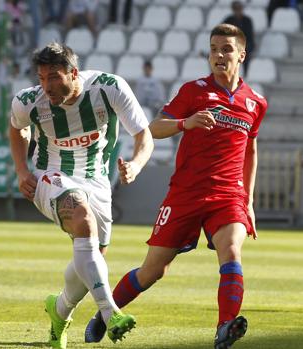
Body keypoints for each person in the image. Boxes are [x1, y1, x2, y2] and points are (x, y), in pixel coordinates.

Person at [85, 24, 268, 349]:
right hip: (186, 194)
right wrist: (187, 122)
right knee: (153, 271)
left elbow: (251, 150)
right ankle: (105, 313)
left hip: (228, 196)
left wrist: (248, 200)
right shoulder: (193, 92)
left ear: (242, 54)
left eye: (226, 49)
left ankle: (225, 327)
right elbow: (152, 128)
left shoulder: (255, 102)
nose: (218, 55)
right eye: (213, 49)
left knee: (232, 250)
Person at [9, 42, 154, 349]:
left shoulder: (108, 88)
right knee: (80, 216)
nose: (46, 86)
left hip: (97, 181)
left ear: (73, 73)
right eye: (42, 77)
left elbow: (143, 135)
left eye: (53, 77)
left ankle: (59, 311)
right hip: (51, 175)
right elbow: (16, 129)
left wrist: (136, 165)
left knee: (90, 259)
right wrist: (22, 170)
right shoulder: (28, 102)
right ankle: (110, 311)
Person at [224, 1, 255, 74]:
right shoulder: (228, 20)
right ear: (233, 9)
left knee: (245, 51)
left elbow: (249, 36)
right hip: (232, 44)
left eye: (239, 8)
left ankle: (246, 72)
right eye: (236, 9)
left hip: (245, 44)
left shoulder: (247, 20)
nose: (238, 10)